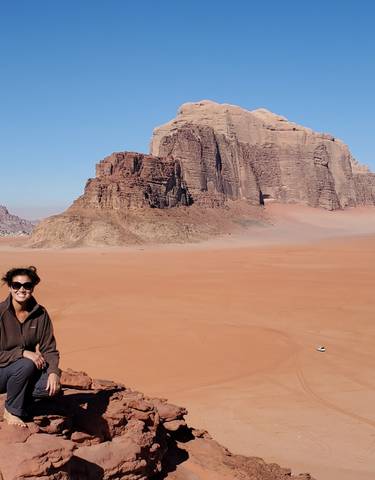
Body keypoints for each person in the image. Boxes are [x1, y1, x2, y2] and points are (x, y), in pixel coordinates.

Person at [0, 266, 61, 427]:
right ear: (10, 287)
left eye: (27, 286)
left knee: (51, 388)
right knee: (26, 364)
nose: (22, 289)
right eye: (16, 285)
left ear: (33, 287)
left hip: (22, 373)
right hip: (2, 371)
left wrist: (54, 372)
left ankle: (17, 392)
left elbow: (49, 348)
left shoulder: (40, 314)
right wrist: (23, 353)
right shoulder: (0, 313)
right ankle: (11, 410)